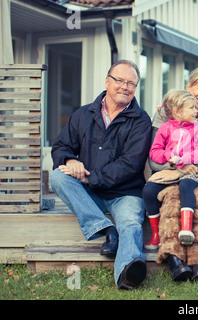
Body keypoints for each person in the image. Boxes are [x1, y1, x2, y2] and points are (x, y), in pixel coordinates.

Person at [50, 60, 152, 290]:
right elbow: (60, 147)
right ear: (107, 81)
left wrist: (90, 177)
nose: (125, 87)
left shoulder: (141, 120)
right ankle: (105, 228)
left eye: (131, 83)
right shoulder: (83, 114)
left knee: (130, 223)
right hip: (90, 193)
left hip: (125, 192)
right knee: (58, 177)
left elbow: (130, 164)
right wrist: (70, 160)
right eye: (120, 80)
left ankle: (127, 273)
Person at [145, 67, 198, 282]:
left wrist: (189, 170)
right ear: (188, 87)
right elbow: (154, 157)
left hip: (197, 175)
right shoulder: (164, 113)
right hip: (167, 174)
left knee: (196, 198)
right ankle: (175, 259)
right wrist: (177, 170)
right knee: (171, 198)